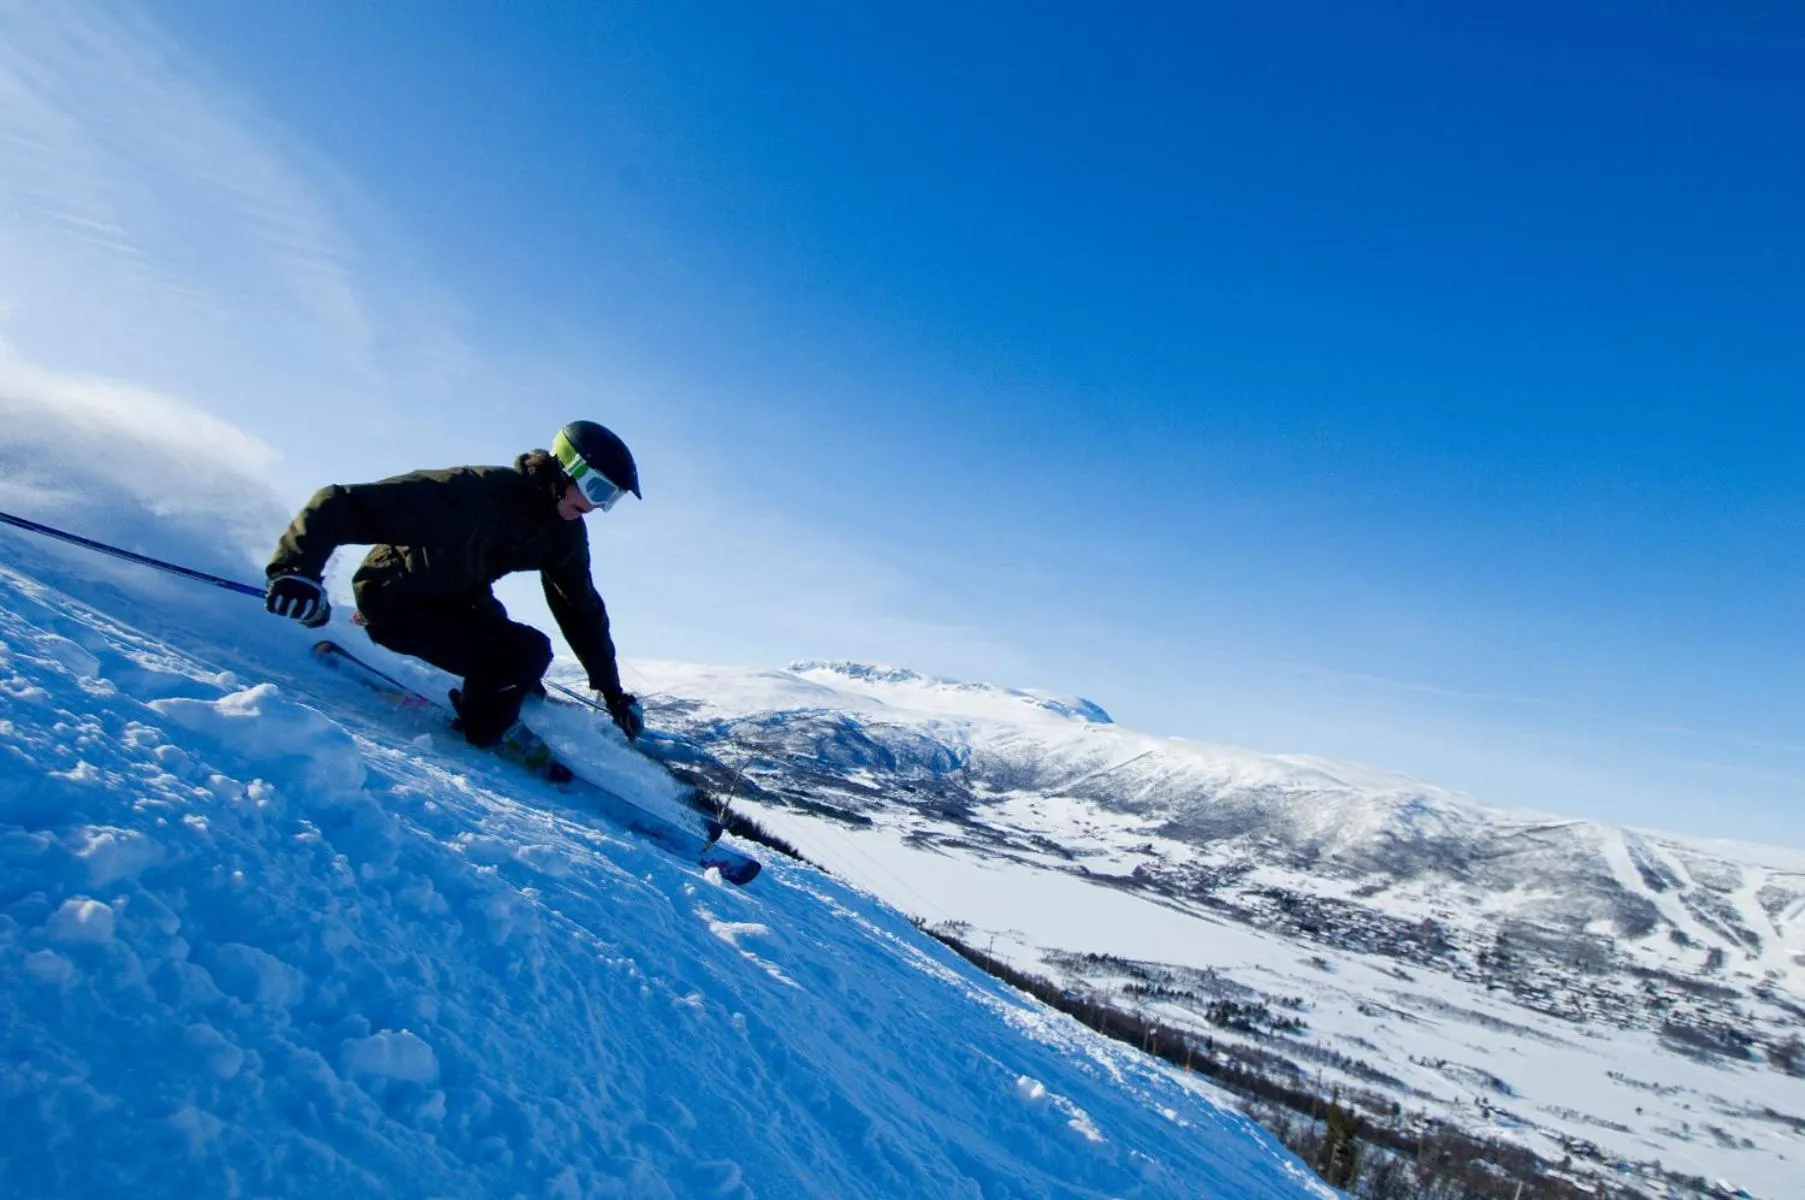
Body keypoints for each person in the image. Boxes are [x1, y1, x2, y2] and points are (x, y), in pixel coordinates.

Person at [263, 420, 647, 747]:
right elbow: (340, 503)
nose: (597, 507)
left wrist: (612, 692)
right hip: (395, 599)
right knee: (526, 653)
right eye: (598, 490)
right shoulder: (473, 493)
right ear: (566, 466)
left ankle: (503, 697)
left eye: (610, 500)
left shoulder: (563, 534)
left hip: (459, 600)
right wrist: (296, 570)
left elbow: (580, 608)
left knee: (521, 667)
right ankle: (484, 729)